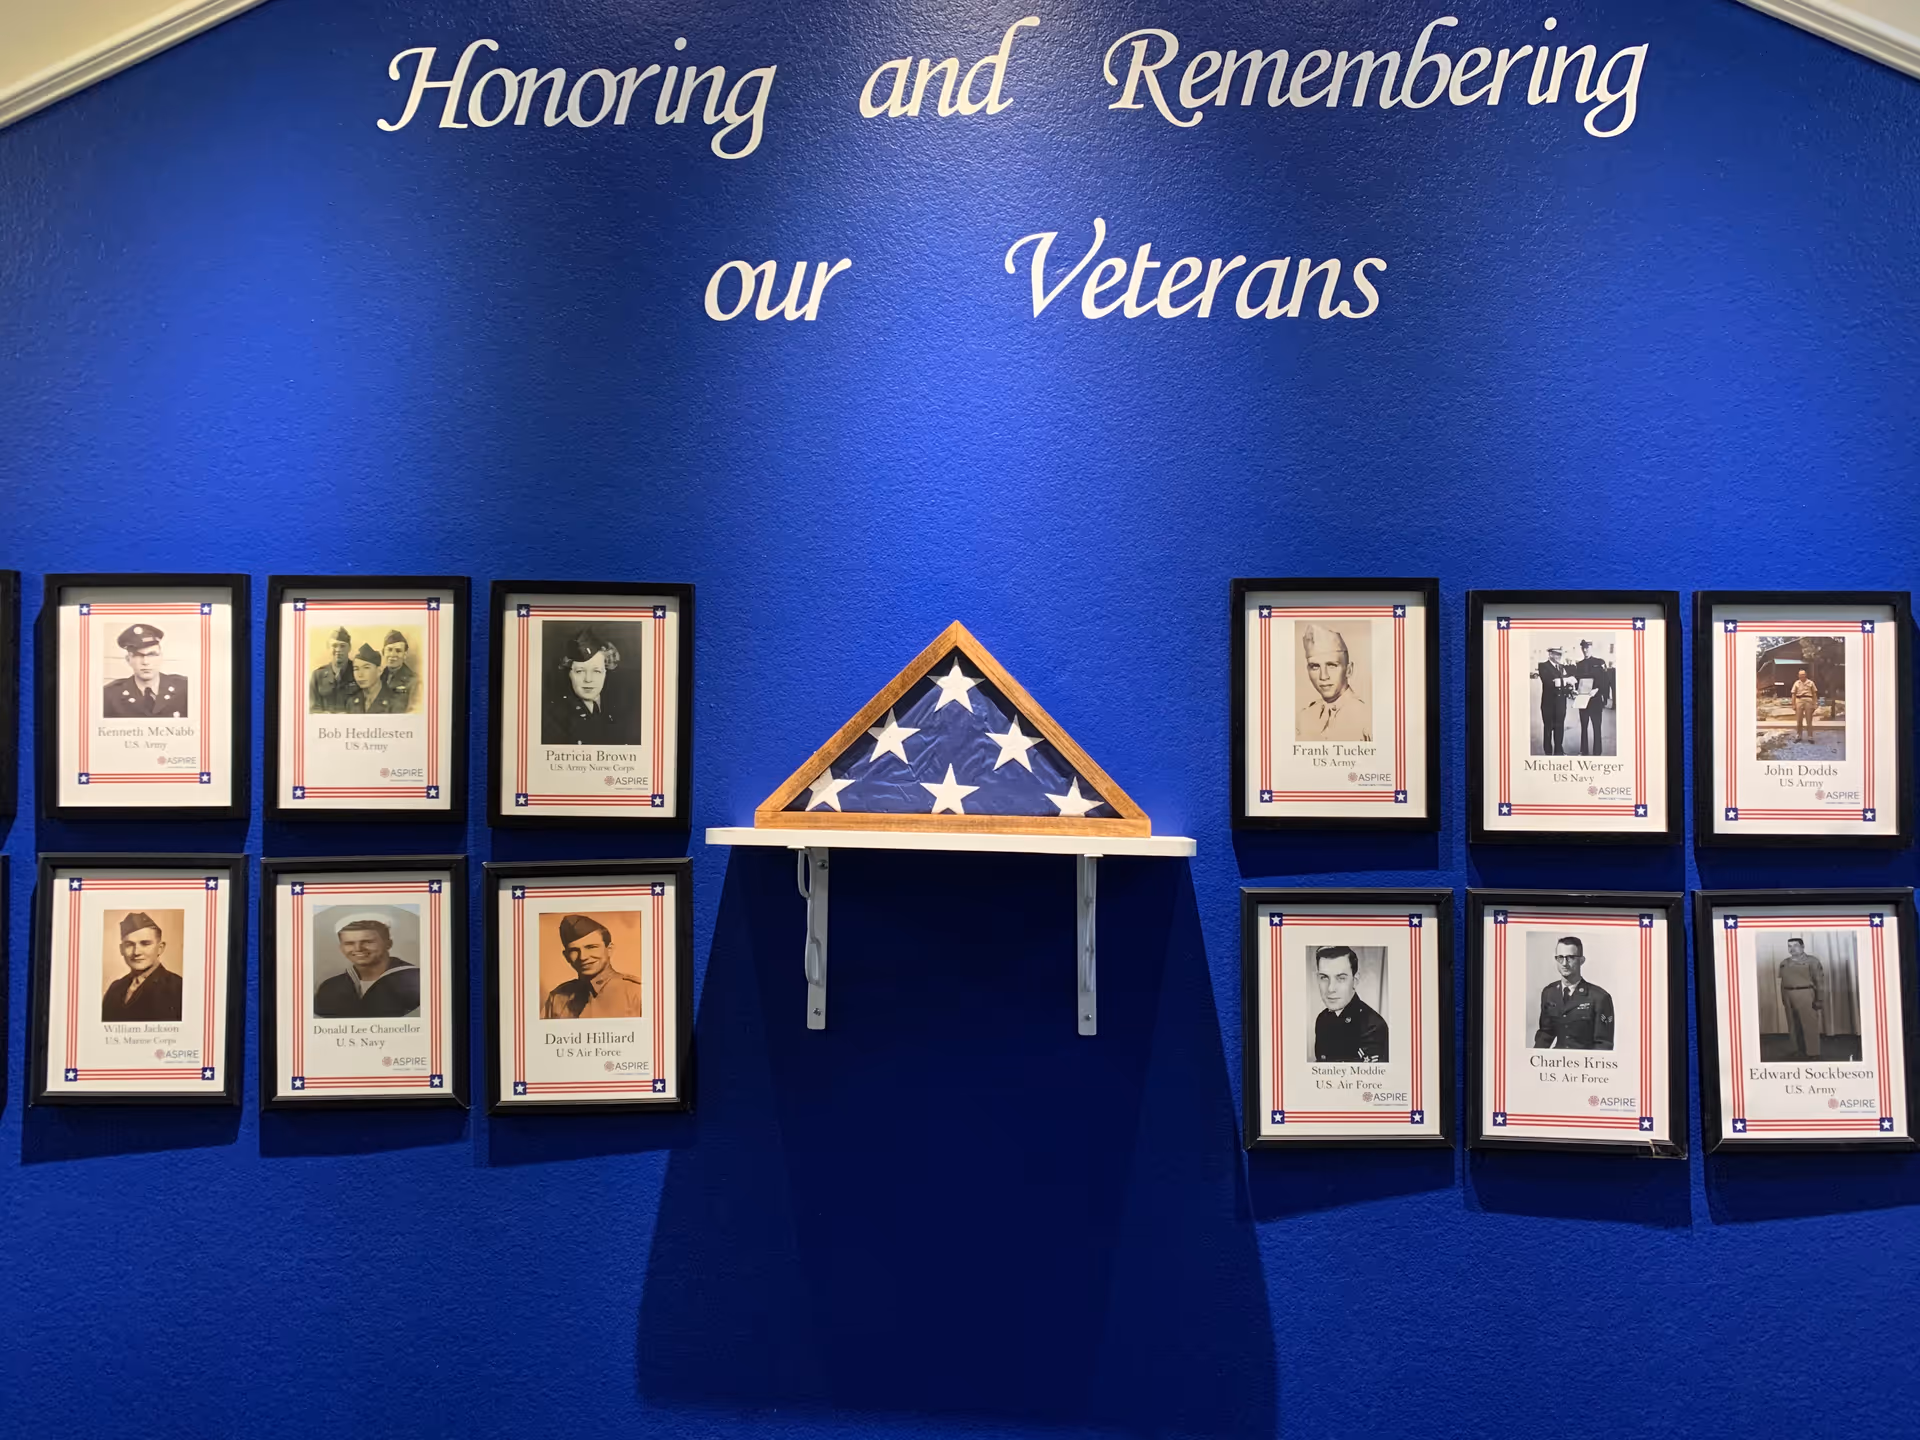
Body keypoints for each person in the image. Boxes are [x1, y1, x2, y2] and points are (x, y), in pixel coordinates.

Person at [313, 914, 420, 1018]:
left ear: (388, 944)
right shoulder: (329, 987)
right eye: (349, 943)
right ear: (341, 948)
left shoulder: (418, 980)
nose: (358, 949)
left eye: (367, 942)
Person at [542, 913, 645, 1019]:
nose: (583, 957)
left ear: (609, 950)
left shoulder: (637, 993)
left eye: (591, 947)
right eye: (574, 950)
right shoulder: (557, 998)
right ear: (566, 956)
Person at [543, 627, 625, 745]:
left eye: (596, 671)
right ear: (569, 673)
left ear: (606, 671)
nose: (588, 680)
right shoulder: (554, 717)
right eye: (580, 671)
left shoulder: (624, 707)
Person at [1311, 944, 1389, 1062]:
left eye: (1341, 978)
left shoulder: (1373, 1027)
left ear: (1355, 981)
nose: (1331, 988)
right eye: (1324, 977)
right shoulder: (1322, 1018)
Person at [102, 911, 184, 1022]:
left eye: (145, 944)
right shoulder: (115, 988)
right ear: (121, 949)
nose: (136, 952)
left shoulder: (178, 988)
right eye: (129, 945)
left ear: (160, 948)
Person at [1534, 936, 1614, 1049]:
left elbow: (1604, 1045)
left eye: (1570, 957)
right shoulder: (1549, 993)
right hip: (1557, 1061)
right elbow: (1545, 1034)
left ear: (1581, 961)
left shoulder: (1599, 997)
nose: (1565, 963)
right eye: (1560, 957)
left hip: (1585, 1062)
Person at [1295, 624, 1371, 742]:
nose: (1323, 676)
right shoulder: (1304, 718)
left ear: (1349, 670)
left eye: (1332, 665)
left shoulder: (1367, 717)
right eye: (1315, 667)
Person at [102, 623, 189, 718]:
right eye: (138, 655)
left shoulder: (185, 688)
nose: (145, 662)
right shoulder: (110, 696)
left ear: (161, 657)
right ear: (128, 660)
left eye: (152, 654)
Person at [1778, 936, 1827, 1061]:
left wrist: (1819, 999)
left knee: (1809, 1024)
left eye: (1795, 945)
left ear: (1802, 947)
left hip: (1805, 993)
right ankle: (1797, 1050)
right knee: (1793, 1025)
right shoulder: (1784, 962)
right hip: (1788, 994)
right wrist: (1783, 997)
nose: (1792, 949)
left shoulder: (1812, 961)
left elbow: (1819, 981)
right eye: (1789, 946)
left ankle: (1813, 1052)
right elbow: (1783, 981)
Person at [1571, 639, 1611, 756]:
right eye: (1583, 648)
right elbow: (1577, 681)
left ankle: (1597, 752)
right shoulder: (1579, 664)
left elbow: (1606, 680)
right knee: (1584, 727)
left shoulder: (1599, 662)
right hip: (1582, 700)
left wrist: (1597, 690)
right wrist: (1574, 690)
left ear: (1591, 648)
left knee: (1596, 727)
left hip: (1595, 700)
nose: (1585, 650)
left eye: (1587, 647)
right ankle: (1584, 751)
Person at [1535, 645, 1573, 756]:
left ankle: (1559, 752)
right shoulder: (1543, 666)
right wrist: (1566, 680)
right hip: (1548, 704)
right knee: (1548, 729)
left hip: (1561, 703)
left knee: (1559, 728)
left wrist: (1570, 689)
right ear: (1550, 654)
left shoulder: (1561, 667)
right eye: (1556, 653)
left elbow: (1563, 685)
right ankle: (1548, 753)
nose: (1559, 656)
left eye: (1560, 654)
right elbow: (1548, 682)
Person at [309, 626, 355, 714]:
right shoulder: (317, 676)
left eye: (342, 646)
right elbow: (313, 708)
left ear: (349, 648)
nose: (338, 650)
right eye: (334, 646)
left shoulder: (359, 672)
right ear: (328, 647)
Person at [377, 630, 418, 714]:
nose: (393, 655)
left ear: (405, 655)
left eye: (398, 651)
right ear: (383, 652)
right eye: (389, 650)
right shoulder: (377, 679)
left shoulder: (414, 681)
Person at [1791, 669, 1818, 742]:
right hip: (1799, 700)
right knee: (1799, 720)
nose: (1802, 676)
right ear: (1798, 675)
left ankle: (1810, 736)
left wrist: (1815, 703)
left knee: (1809, 719)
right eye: (1800, 675)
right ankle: (1798, 736)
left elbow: (1814, 694)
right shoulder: (1796, 683)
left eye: (1803, 674)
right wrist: (1793, 704)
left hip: (1808, 700)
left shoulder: (1810, 683)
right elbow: (1793, 694)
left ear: (1805, 675)